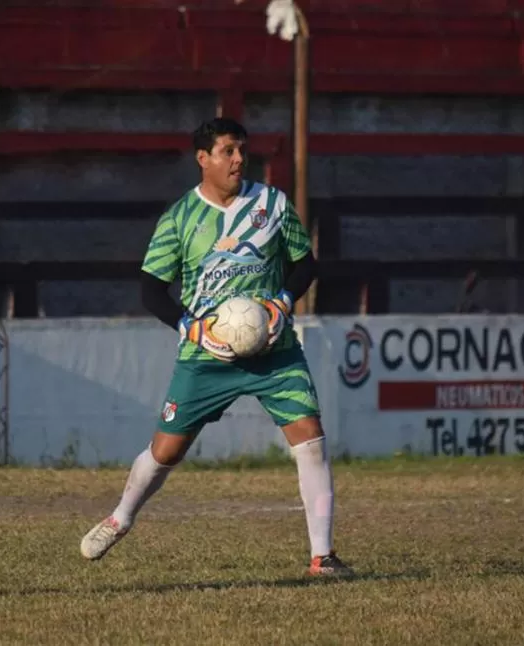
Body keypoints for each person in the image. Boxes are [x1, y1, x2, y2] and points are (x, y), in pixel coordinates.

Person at [80, 117, 352, 577]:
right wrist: (191, 329)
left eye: (242, 150)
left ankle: (321, 557)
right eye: (228, 151)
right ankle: (120, 517)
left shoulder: (272, 204)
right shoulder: (180, 218)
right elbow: (150, 288)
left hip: (273, 349)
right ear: (202, 159)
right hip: (205, 356)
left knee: (310, 439)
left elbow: (306, 265)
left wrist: (282, 303)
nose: (239, 160)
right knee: (166, 452)